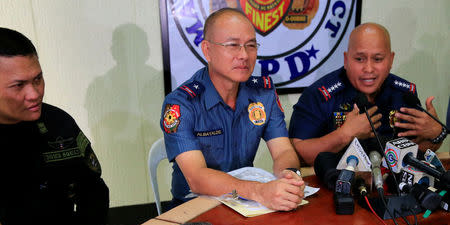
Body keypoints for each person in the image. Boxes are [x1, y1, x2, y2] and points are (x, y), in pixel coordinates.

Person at [0, 27, 109, 225]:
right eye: (18, 85)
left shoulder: (57, 123)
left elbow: (94, 191)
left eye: (38, 79)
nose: (34, 94)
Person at [160, 8, 304, 211]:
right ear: (207, 50)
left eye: (251, 45)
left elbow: (283, 150)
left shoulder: (263, 93)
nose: (244, 55)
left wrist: (289, 177)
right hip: (195, 207)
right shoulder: (181, 103)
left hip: (247, 203)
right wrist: (258, 191)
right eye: (233, 45)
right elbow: (197, 178)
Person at [289, 23, 445, 165]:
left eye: (378, 59)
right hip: (333, 185)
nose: (368, 69)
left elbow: (418, 150)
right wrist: (344, 135)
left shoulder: (403, 93)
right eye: (359, 59)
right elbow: (298, 154)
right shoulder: (319, 95)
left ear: (390, 60)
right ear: (346, 60)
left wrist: (436, 134)